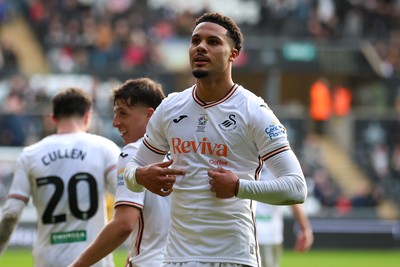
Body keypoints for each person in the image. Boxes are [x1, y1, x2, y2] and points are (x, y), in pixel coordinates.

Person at [123, 12, 307, 266]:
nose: (200, 47)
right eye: (195, 40)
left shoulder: (253, 110)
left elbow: (296, 187)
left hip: (233, 257)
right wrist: (139, 177)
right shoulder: (170, 108)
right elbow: (132, 170)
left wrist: (238, 187)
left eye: (213, 42)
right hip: (178, 258)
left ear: (233, 54)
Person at [0, 87, 121, 267]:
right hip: (94, 261)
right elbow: (128, 196)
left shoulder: (30, 154)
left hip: (48, 261)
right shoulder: (105, 148)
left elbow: (11, 213)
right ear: (88, 116)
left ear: (53, 119)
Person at [69, 78, 168, 267]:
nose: (115, 123)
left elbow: (124, 224)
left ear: (150, 115)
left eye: (123, 114)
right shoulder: (185, 151)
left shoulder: (133, 152)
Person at [256, 167, 313, 267]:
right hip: (269, 233)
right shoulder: (278, 157)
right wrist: (305, 229)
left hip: (244, 230)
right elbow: (293, 196)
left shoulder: (241, 155)